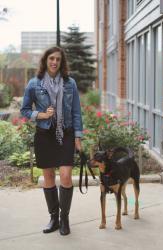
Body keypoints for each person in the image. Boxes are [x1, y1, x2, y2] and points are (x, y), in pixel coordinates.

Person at [20, 46, 83, 236]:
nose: (54, 62)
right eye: (51, 59)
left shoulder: (70, 83)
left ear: (61, 62)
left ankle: (65, 219)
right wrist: (39, 114)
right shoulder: (34, 83)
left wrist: (78, 137)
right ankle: (54, 218)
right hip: (44, 134)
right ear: (45, 61)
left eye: (58, 59)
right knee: (48, 177)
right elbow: (24, 110)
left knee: (65, 176)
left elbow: (76, 111)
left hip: (66, 133)